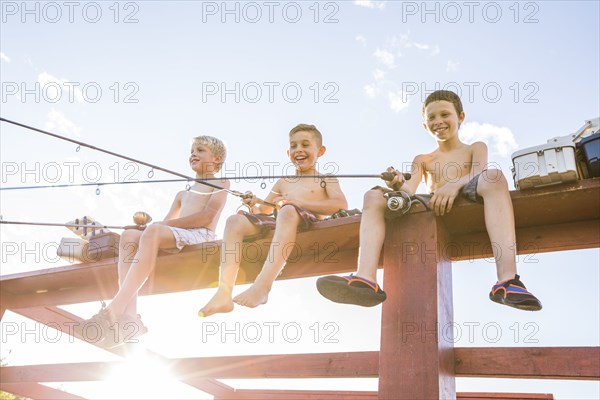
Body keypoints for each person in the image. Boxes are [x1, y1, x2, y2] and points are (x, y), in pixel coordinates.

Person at [317, 90, 542, 311]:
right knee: (373, 195)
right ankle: (365, 280)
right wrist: (396, 182)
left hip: (467, 197)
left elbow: (478, 173)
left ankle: (507, 281)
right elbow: (409, 191)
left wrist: (453, 185)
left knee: (494, 176)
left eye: (445, 114)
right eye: (431, 118)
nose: (438, 121)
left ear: (460, 117)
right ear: (425, 125)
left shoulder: (476, 147)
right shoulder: (423, 159)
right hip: (431, 203)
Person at [79, 135, 229, 347]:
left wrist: (157, 228)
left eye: (201, 150)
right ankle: (130, 318)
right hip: (180, 236)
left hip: (201, 235)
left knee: (154, 231)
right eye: (192, 150)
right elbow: (167, 223)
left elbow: (206, 217)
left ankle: (114, 309)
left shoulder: (220, 183)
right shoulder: (182, 194)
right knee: (130, 235)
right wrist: (151, 229)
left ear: (217, 158)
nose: (193, 154)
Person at [198, 123, 348, 317]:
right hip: (281, 221)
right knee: (234, 221)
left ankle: (262, 286)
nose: (298, 150)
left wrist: (295, 202)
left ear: (320, 151)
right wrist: (253, 204)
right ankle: (223, 293)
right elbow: (266, 209)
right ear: (288, 153)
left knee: (287, 210)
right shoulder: (283, 182)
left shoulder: (326, 179)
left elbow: (340, 205)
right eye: (293, 146)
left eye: (305, 145)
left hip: (308, 222)